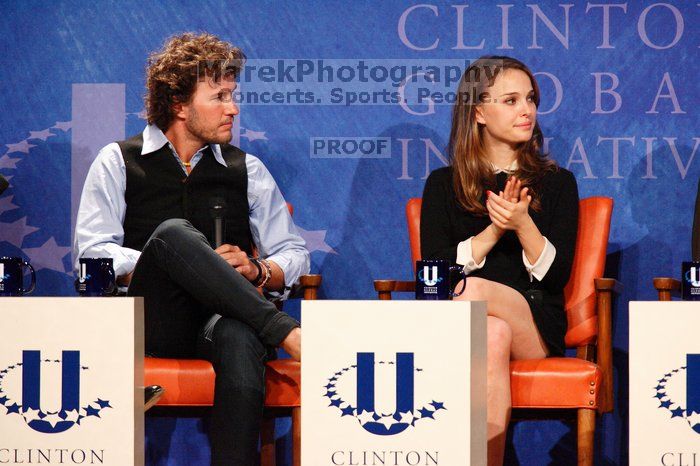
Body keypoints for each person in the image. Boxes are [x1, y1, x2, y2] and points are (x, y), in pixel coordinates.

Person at [74, 32, 309, 465]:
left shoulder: (247, 170)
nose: (233, 108)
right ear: (179, 105)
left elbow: (294, 252)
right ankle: (287, 333)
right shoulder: (117, 161)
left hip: (221, 323)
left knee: (241, 334)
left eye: (233, 95)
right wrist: (175, 262)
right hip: (148, 324)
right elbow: (90, 254)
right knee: (173, 235)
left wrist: (256, 270)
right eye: (219, 96)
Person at [420, 56, 579, 466]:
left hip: (536, 327)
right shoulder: (444, 184)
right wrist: (492, 231)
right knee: (489, 334)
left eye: (530, 99)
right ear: (479, 113)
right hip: (468, 330)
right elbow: (432, 278)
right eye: (510, 100)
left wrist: (523, 223)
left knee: (469, 289)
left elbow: (557, 275)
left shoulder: (557, 182)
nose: (526, 110)